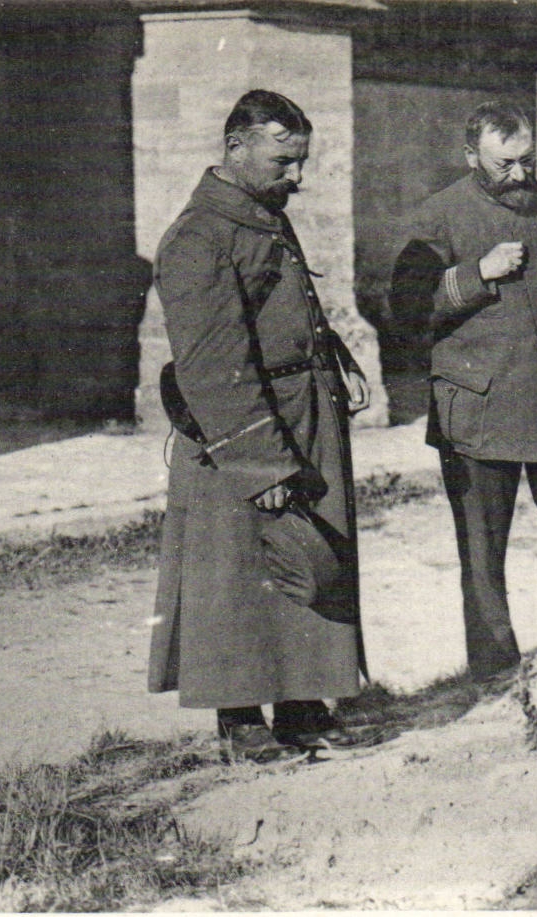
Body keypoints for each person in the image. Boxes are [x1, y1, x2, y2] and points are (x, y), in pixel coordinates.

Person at [147, 90, 379, 762]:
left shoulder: (261, 213)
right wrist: (260, 462)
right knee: (237, 573)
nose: (297, 176)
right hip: (241, 430)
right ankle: (241, 720)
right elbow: (212, 361)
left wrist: (334, 356)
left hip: (304, 413)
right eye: (284, 161)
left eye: (301, 161)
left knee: (309, 558)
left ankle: (303, 705)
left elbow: (286, 308)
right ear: (235, 147)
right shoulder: (198, 236)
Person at [389, 100, 537, 681]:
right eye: (504, 165)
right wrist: (477, 275)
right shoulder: (437, 217)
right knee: (482, 552)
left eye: (528, 160)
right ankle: (495, 674)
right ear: (471, 155)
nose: (520, 175)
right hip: (480, 411)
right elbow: (405, 312)